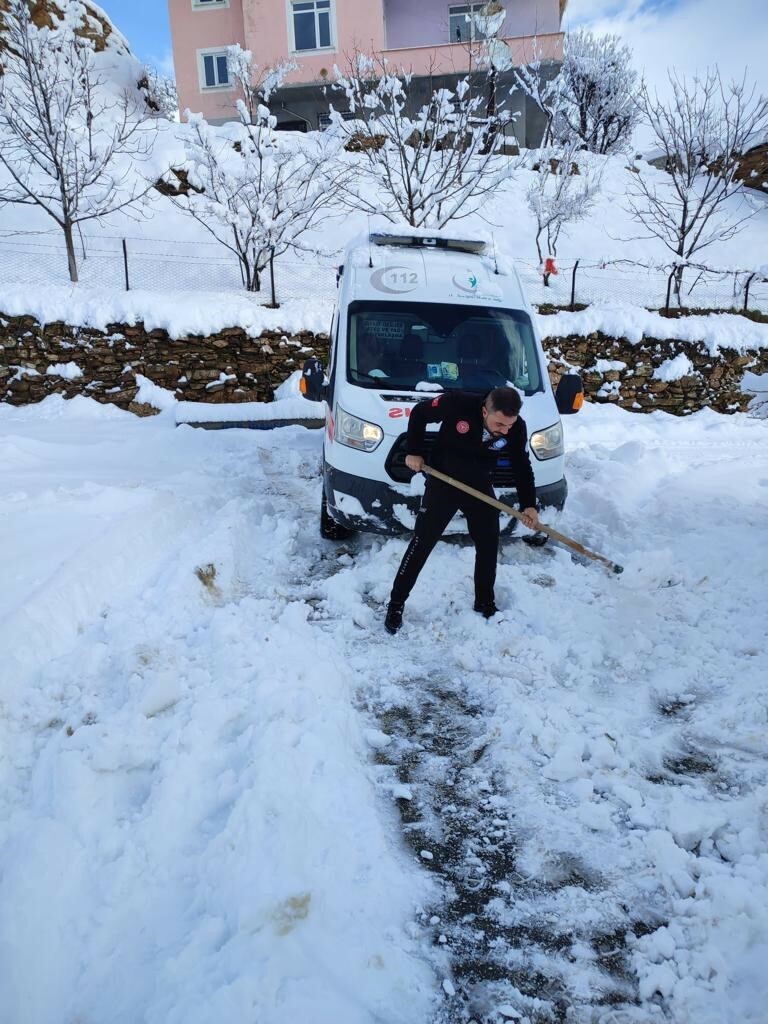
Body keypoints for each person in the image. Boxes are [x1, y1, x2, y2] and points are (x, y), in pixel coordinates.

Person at [384, 387, 539, 634]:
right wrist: (414, 450)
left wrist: (529, 504)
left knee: (489, 541)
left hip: (479, 485)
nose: (505, 430)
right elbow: (419, 413)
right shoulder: (457, 403)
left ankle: (485, 602)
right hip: (443, 481)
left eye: (509, 425)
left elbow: (521, 465)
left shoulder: (516, 427)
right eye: (499, 423)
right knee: (422, 542)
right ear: (484, 410)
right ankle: (396, 603)